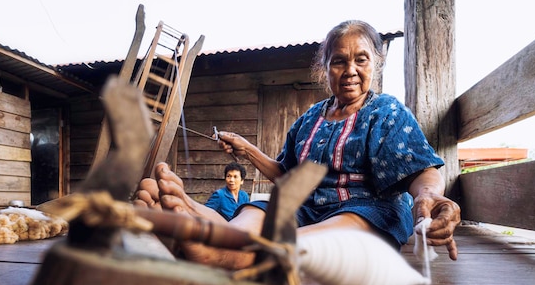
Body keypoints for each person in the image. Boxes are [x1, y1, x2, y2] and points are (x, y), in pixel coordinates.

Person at [136, 20, 461, 271]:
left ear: (375, 63)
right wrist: (246, 149)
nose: (350, 70)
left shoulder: (386, 111)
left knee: (351, 222)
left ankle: (239, 253)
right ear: (324, 69)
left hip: (367, 209)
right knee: (263, 208)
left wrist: (428, 194)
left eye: (360, 59)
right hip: (306, 210)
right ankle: (219, 233)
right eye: (338, 61)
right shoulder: (310, 119)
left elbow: (420, 169)